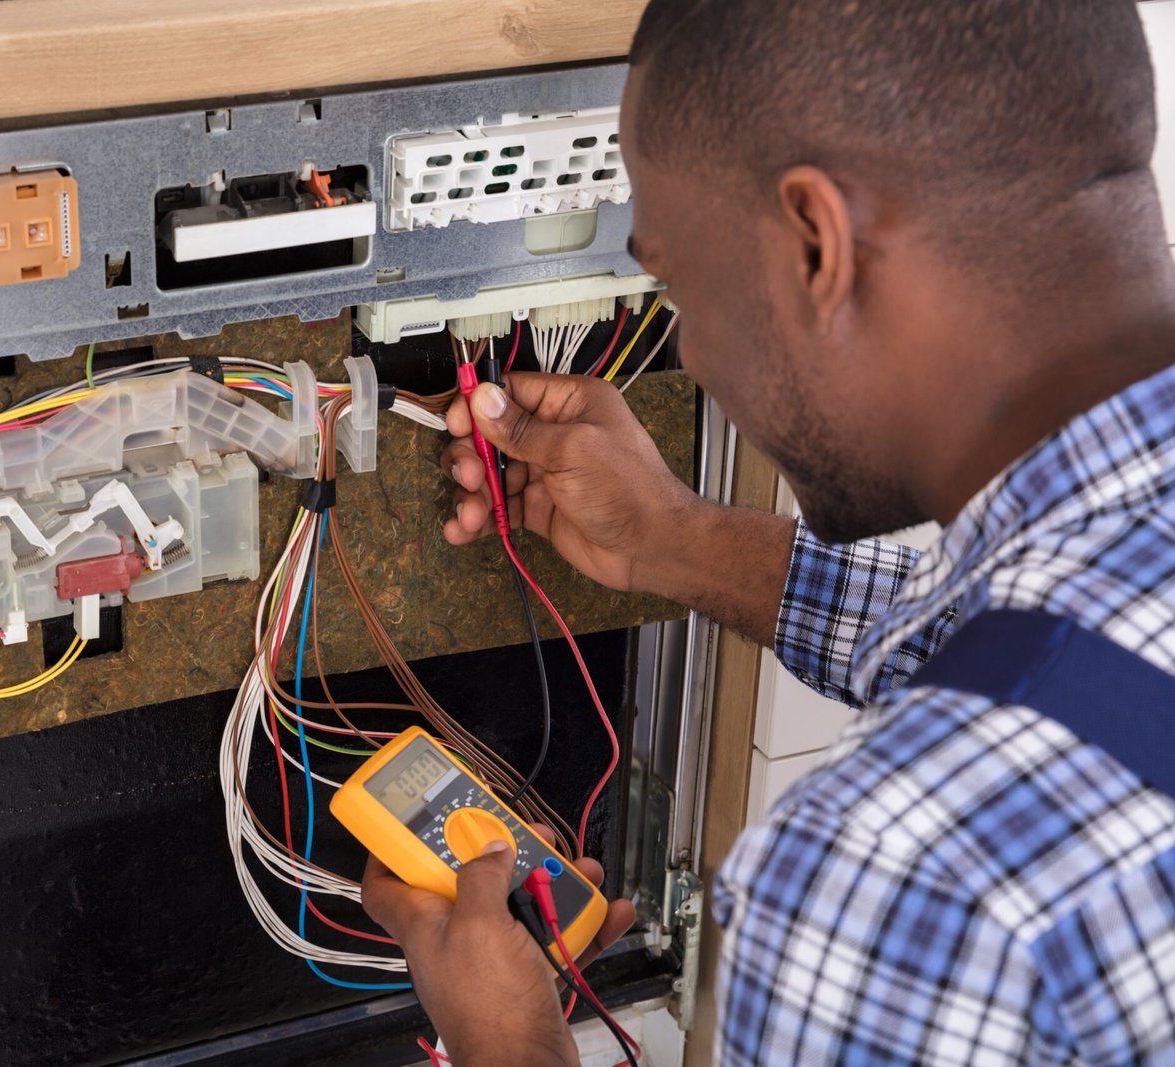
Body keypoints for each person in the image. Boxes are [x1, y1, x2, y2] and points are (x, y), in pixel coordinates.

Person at [360, 0, 1175, 1063]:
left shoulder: (901, 880)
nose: (690, 356)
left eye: (682, 284)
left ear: (813, 241)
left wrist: (509, 1038)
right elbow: (1074, 663)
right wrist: (674, 538)